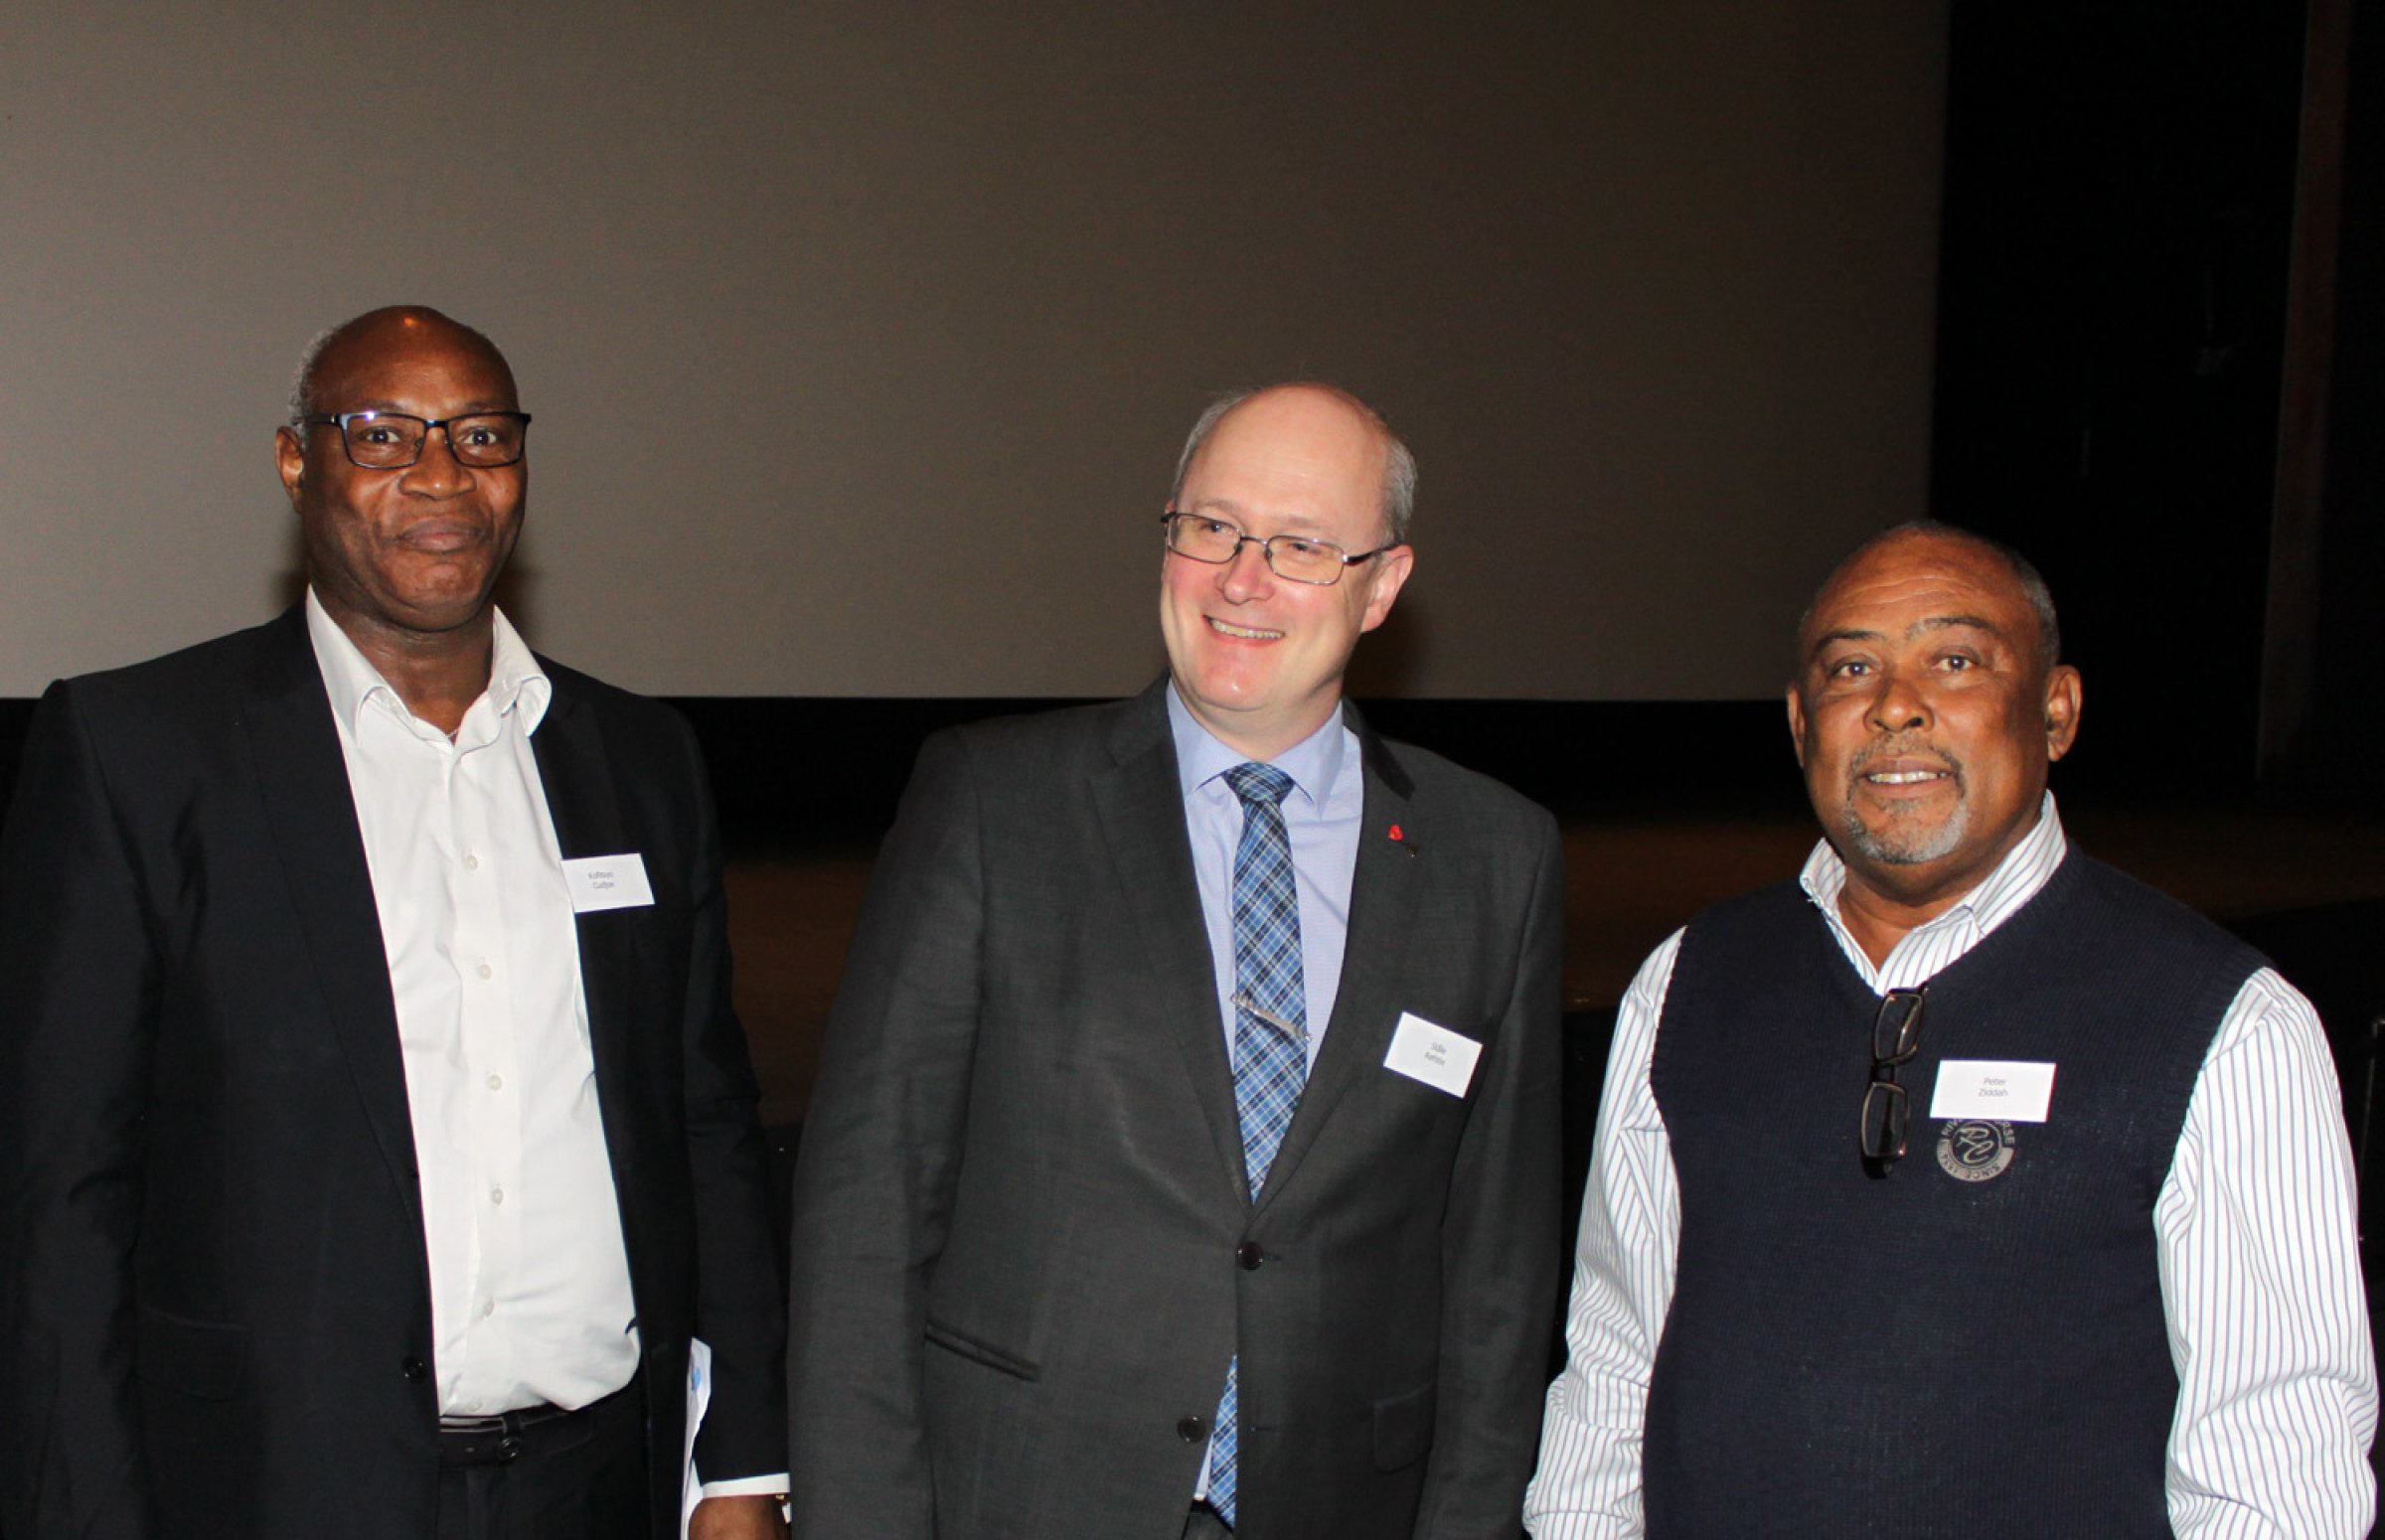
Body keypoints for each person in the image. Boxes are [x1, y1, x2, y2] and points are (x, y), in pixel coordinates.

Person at [0, 307, 789, 1540]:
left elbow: (706, 1124)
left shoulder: (638, 758)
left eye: (481, 435)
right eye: (381, 435)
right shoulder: (141, 752)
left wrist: (741, 1461)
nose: (441, 474)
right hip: (267, 1490)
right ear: (295, 461)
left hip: (595, 1484)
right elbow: (63, 1192)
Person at [787, 384, 1564, 1539]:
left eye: (1301, 545)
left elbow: (1499, 1272)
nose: (1242, 579)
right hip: (1023, 1498)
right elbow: (866, 1207)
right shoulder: (996, 802)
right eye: (1212, 527)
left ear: (1382, 584)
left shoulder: (1494, 856)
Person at [1524, 522, 2378, 1537]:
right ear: (1800, 722)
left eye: (1956, 660)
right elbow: (1615, 1359)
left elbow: (2274, 1462)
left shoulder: (2223, 1021)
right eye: (1851, 668)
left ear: (2055, 711)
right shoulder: (1687, 982)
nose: (1895, 705)